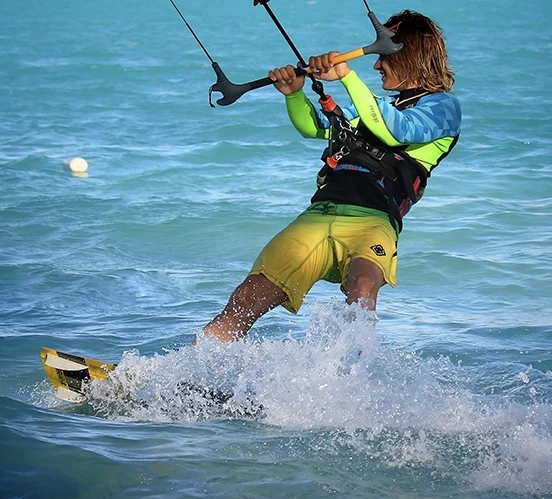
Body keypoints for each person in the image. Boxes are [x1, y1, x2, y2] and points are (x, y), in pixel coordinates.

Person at [199, 10, 462, 343]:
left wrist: (347, 76)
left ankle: (354, 383)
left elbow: (398, 131)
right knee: (244, 300)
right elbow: (314, 127)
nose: (377, 65)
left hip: (372, 222)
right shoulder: (373, 105)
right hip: (318, 216)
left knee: (363, 287)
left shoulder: (444, 108)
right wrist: (294, 94)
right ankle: (182, 379)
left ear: (409, 56)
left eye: (382, 58)